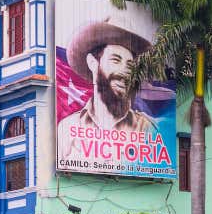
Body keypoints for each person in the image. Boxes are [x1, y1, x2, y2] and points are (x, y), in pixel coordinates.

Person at [56, 15, 162, 164]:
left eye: (130, 65)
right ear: (93, 63)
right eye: (115, 60)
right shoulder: (67, 128)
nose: (124, 72)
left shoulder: (147, 129)